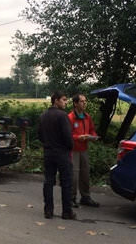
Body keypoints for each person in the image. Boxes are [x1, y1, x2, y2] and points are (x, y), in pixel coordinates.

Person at [38, 91, 76, 220]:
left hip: (48, 152)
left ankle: (48, 211)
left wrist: (48, 144)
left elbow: (40, 135)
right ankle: (67, 212)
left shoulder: (43, 115)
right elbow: (67, 136)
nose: (66, 102)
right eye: (64, 100)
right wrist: (70, 146)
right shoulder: (62, 115)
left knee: (48, 181)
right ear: (56, 101)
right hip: (62, 153)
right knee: (66, 182)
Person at [68, 94, 100, 208]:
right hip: (74, 150)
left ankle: (85, 197)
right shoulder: (70, 117)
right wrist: (78, 137)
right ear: (75, 103)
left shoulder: (87, 117)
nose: (84, 103)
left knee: (85, 174)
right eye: (81, 101)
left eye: (85, 101)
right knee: (74, 175)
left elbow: (92, 130)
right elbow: (68, 135)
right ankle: (71, 198)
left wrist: (93, 137)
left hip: (84, 149)